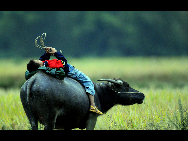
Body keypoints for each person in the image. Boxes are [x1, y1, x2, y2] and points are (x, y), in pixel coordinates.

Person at [27, 47, 103, 115]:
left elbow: (42, 60)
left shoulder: (43, 65)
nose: (39, 60)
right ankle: (93, 105)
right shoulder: (49, 65)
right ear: (39, 66)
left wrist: (47, 53)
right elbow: (64, 62)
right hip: (70, 70)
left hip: (64, 69)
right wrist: (56, 53)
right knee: (88, 81)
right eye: (37, 61)